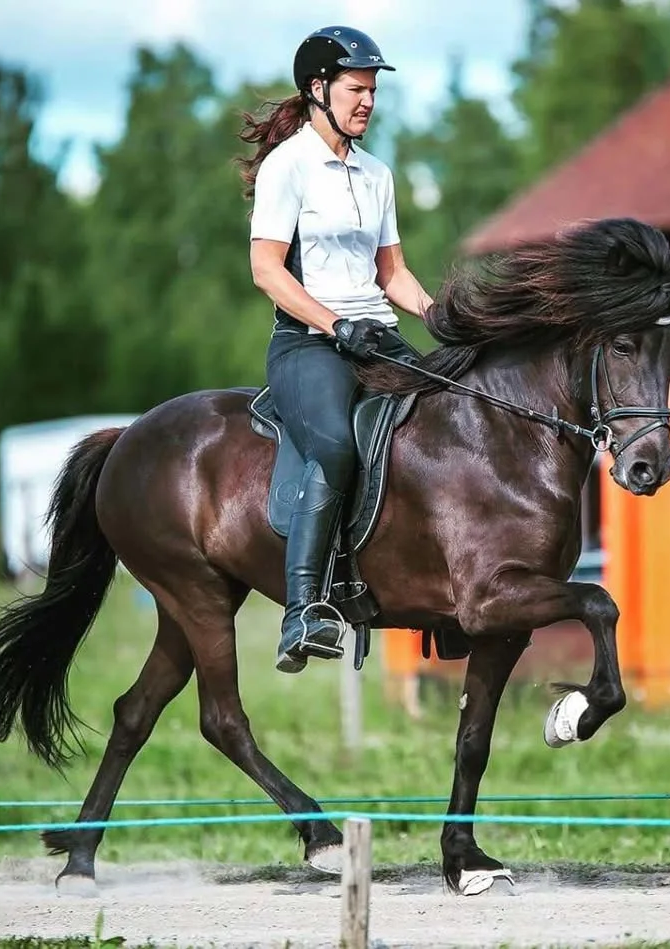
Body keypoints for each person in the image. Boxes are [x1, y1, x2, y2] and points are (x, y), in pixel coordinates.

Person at [237, 26, 433, 674]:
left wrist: (438, 314)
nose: (368, 102)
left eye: (373, 91)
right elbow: (267, 270)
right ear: (318, 89)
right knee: (337, 443)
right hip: (306, 344)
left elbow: (392, 273)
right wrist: (332, 324)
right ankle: (302, 610)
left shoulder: (376, 174)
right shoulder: (286, 167)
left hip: (375, 335)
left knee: (443, 421)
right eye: (357, 89)